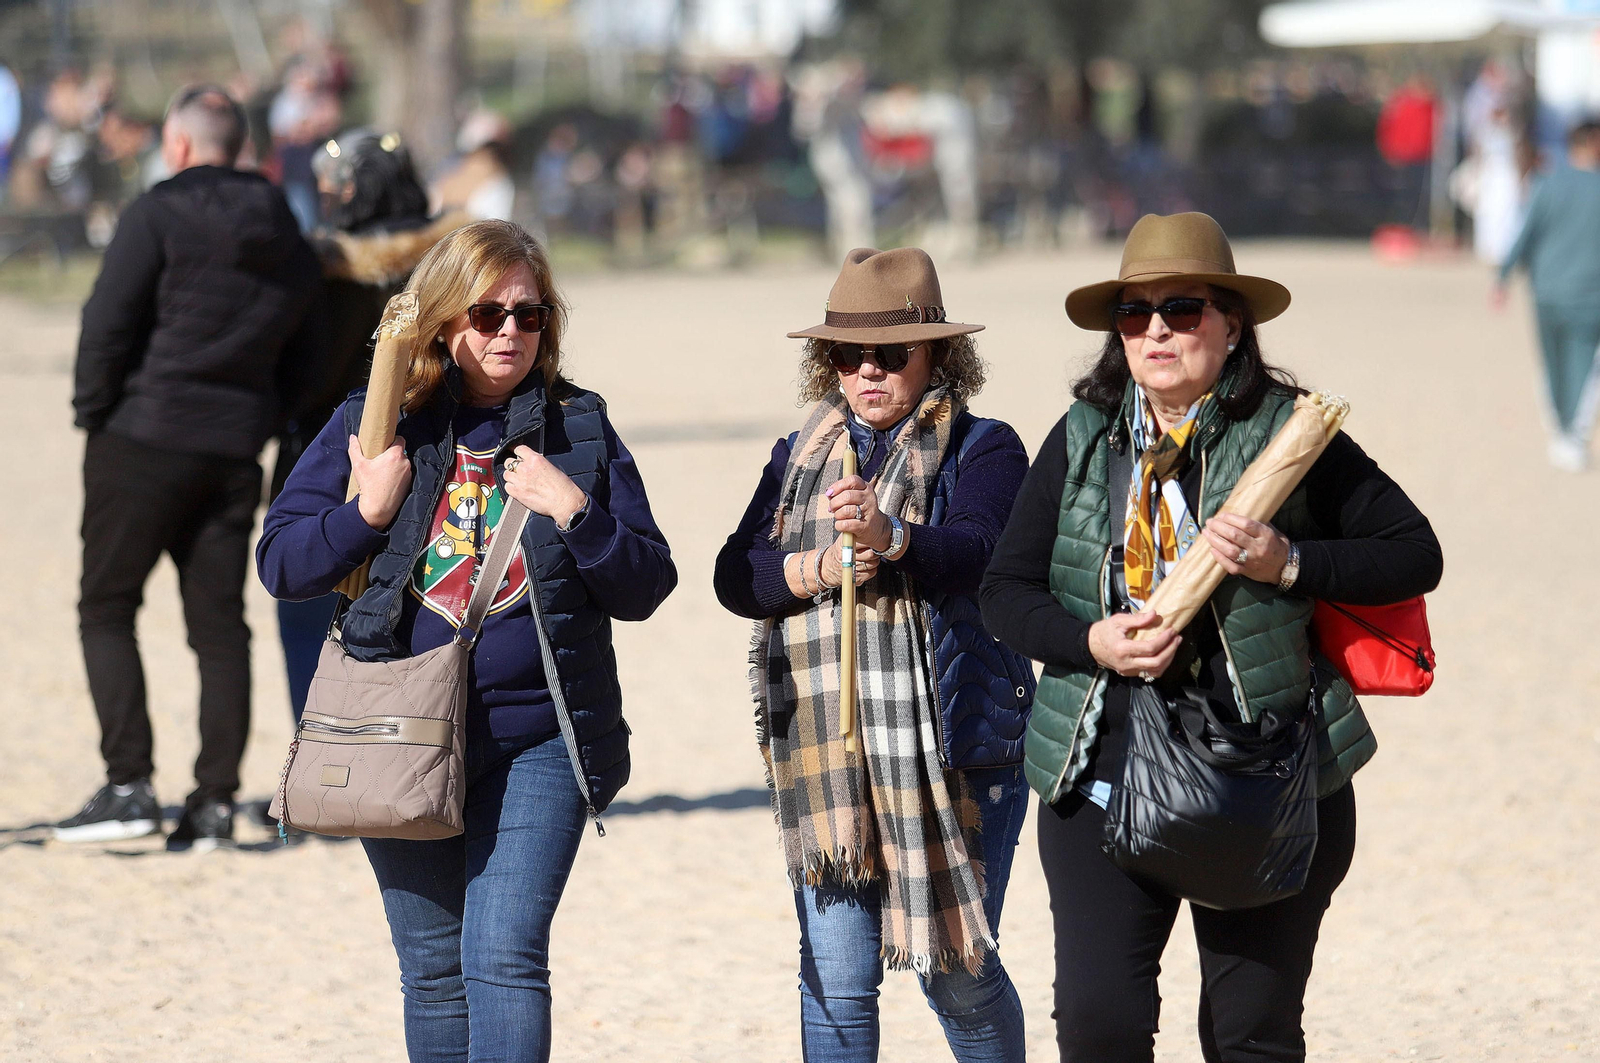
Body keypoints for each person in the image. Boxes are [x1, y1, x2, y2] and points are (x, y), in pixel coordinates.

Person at [979, 212, 1443, 1063]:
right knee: (1098, 1030)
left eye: (1183, 308)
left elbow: (1416, 554)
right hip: (1101, 776)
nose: (1155, 329)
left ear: (1233, 326)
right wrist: (1094, 642)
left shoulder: (1296, 438)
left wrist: (1288, 560)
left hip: (1263, 782)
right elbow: (1003, 592)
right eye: (1134, 311)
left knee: (1250, 1039)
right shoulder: (1082, 437)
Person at [257, 219, 676, 1062]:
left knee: (503, 955)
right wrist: (364, 513)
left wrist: (575, 511)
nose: (510, 333)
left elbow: (646, 583)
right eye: (488, 315)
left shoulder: (579, 429)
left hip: (538, 738)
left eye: (531, 315)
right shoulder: (376, 422)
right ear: (445, 320)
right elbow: (280, 562)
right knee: (433, 968)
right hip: (397, 733)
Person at [715, 247, 1035, 1062]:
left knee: (956, 974)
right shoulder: (800, 455)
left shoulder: (985, 445)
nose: (867, 372)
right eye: (846, 355)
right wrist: (817, 567)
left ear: (938, 356)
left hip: (963, 751)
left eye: (891, 354)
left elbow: (984, 552)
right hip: (828, 755)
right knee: (837, 981)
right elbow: (733, 575)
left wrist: (892, 538)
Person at [58, 85, 321, 849]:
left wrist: (92, 410)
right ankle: (212, 802)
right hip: (233, 449)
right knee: (219, 629)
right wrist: (262, 418)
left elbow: (106, 321)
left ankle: (129, 782)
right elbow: (306, 350)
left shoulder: (156, 212)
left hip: (140, 439)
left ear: (176, 146)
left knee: (106, 607)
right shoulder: (286, 228)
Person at [269, 128, 464, 723]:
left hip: (327, 458)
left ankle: (323, 763)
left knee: (311, 621)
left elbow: (296, 380)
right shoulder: (452, 264)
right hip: (438, 459)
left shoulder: (326, 274)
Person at [1494, 118, 1600, 471]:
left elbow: (1525, 234)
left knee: (1552, 364)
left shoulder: (1547, 183)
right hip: (1589, 294)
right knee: (1583, 366)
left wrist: (1503, 277)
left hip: (1547, 292)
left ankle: (1559, 431)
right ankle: (1572, 436)